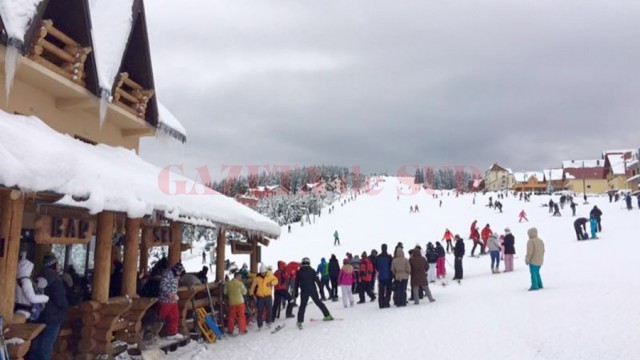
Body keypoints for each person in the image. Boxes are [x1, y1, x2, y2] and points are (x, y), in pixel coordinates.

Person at [28, 254, 68, 360]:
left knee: (36, 345)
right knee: (46, 346)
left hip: (38, 316)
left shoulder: (37, 277)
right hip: (53, 318)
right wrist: (66, 307)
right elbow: (61, 301)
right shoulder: (55, 280)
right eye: (57, 264)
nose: (59, 266)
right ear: (54, 265)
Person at [296, 257, 333, 329]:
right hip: (313, 290)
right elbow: (317, 280)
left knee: (302, 306)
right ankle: (327, 315)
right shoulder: (312, 270)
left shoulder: (299, 272)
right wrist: (321, 289)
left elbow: (297, 283)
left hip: (304, 291)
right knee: (318, 302)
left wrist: (296, 292)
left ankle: (300, 321)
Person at [158, 262, 184, 339]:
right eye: (179, 271)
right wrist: (169, 294)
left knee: (175, 316)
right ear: (176, 270)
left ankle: (172, 333)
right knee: (161, 317)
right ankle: (155, 333)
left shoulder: (176, 276)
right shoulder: (167, 275)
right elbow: (162, 286)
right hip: (165, 300)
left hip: (173, 301)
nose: (180, 273)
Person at [250, 264, 278, 330]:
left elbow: (276, 280)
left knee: (269, 310)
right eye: (261, 272)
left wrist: (271, 283)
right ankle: (260, 325)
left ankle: (268, 323)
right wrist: (251, 294)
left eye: (264, 272)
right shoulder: (257, 278)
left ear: (265, 271)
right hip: (260, 297)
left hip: (268, 296)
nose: (263, 274)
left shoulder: (270, 276)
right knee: (259, 311)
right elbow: (253, 286)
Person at [376, 244, 393, 309]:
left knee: (381, 290)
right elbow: (391, 266)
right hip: (388, 276)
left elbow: (376, 267)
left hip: (381, 276)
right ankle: (386, 303)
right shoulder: (389, 257)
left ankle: (381, 304)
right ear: (386, 248)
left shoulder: (378, 257)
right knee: (388, 290)